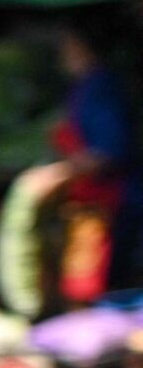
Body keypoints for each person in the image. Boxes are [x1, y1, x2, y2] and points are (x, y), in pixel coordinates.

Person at [37, 15, 141, 302]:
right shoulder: (86, 87)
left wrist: (57, 174)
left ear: (82, 46)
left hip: (111, 204)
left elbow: (109, 151)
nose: (61, 52)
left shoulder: (101, 88)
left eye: (66, 44)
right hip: (95, 202)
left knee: (102, 287)